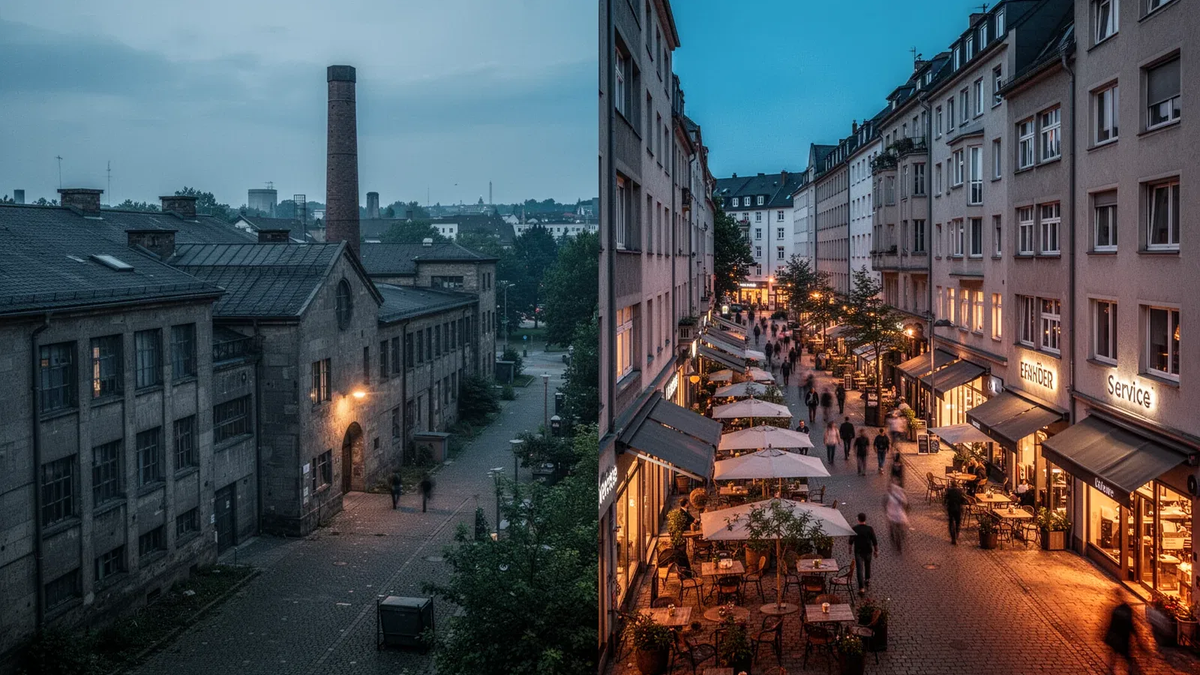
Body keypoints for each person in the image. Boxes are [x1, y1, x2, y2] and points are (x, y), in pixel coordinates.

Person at [1104, 586, 1140, 674]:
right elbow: (1131, 624)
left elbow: (1111, 624)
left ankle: (1112, 670)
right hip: (1124, 638)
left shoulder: (1116, 610)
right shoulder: (1127, 609)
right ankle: (1130, 670)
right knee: (1125, 656)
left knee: (1116, 655)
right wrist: (1137, 636)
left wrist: (1108, 635)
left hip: (1118, 637)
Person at [849, 513, 878, 595]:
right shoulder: (870, 529)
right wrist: (876, 551)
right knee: (867, 565)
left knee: (859, 569)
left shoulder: (855, 529)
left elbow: (851, 540)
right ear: (865, 519)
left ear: (858, 519)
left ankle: (861, 588)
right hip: (868, 550)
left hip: (858, 551)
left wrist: (850, 548)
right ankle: (867, 579)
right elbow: (874, 540)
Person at [884, 482, 909, 553]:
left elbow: (885, 505)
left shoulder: (890, 496)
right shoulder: (898, 495)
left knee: (895, 529)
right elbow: (905, 503)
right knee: (895, 528)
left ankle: (896, 540)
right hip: (896, 515)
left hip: (895, 515)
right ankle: (896, 539)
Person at [945, 480, 966, 544]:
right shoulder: (960, 491)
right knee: (958, 523)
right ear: (956, 485)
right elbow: (964, 500)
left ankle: (953, 537)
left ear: (951, 485)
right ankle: (957, 534)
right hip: (958, 509)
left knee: (951, 522)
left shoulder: (949, 491)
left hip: (951, 509)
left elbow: (945, 499)